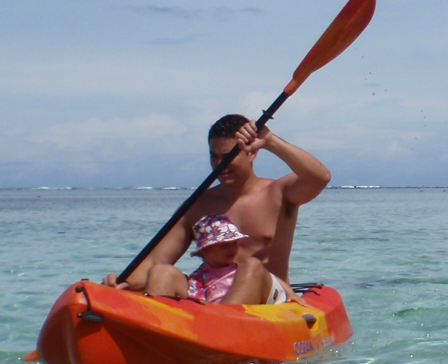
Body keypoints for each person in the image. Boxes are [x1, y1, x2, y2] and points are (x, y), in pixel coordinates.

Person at [105, 114, 330, 296]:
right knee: (162, 273)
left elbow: (319, 178)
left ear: (252, 152)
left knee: (251, 267)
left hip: (268, 303)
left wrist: (271, 141)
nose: (219, 165)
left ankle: (220, 331)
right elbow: (154, 261)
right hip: (210, 297)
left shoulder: (280, 193)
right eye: (214, 157)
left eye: (227, 156)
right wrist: (120, 281)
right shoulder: (197, 205)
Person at [141, 214, 287, 305]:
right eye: (224, 245)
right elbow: (197, 299)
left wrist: (291, 294)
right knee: (160, 271)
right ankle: (154, 329)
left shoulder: (242, 271)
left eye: (234, 244)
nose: (232, 250)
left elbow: (270, 278)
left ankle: (224, 323)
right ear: (205, 250)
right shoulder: (198, 278)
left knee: (253, 264)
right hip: (213, 314)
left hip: (235, 316)